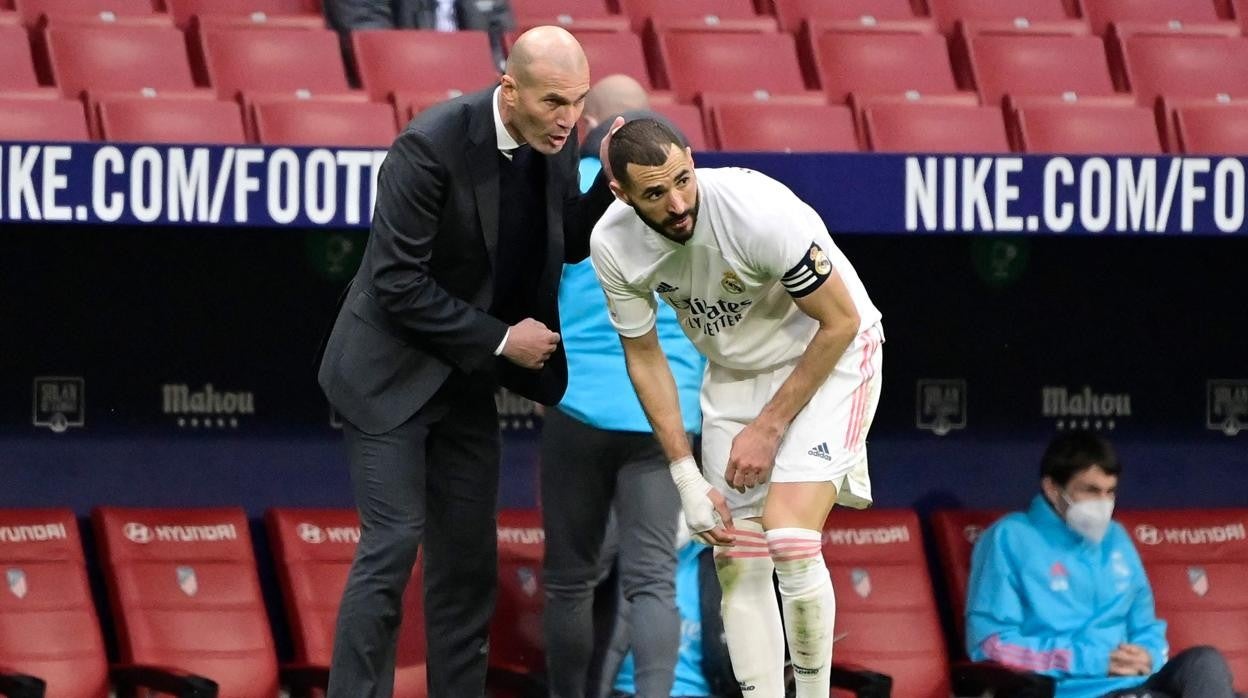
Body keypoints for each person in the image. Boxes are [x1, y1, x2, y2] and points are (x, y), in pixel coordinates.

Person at [316, 25, 613, 698]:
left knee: (468, 565)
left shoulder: (558, 143)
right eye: (554, 103)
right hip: (387, 376)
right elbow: (397, 283)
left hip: (463, 377)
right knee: (392, 546)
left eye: (579, 101)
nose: (569, 119)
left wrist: (612, 186)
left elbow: (564, 240)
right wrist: (505, 340)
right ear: (511, 91)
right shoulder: (429, 146)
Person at [590, 118, 885, 697]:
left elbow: (841, 320)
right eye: (654, 193)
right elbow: (646, 358)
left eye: (683, 179)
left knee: (790, 538)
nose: (677, 203)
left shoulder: (756, 209)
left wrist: (770, 428)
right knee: (737, 556)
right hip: (734, 372)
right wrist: (685, 475)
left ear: (692, 161)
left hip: (830, 354)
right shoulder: (612, 244)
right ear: (621, 194)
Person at [540, 75, 704, 698]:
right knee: (653, 581)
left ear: (591, 130)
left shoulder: (565, 190)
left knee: (569, 581)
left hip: (580, 406)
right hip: (665, 415)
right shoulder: (685, 191)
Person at [966, 430, 1244, 698]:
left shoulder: (1116, 537)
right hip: (1075, 689)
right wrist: (1092, 661)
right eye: (1091, 490)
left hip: (1142, 683)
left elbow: (1146, 627)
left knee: (1204, 662)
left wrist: (1148, 654)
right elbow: (990, 644)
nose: (1103, 503)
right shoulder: (1010, 537)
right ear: (1052, 488)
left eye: (1110, 492)